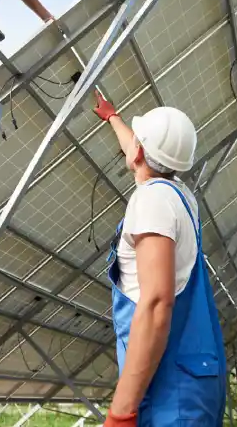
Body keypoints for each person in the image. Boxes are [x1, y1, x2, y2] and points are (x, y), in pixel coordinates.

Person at [93, 91, 227, 427]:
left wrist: (120, 413)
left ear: (140, 151)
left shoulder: (152, 201)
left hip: (169, 396)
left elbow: (155, 303)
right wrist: (113, 118)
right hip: (190, 383)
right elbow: (140, 152)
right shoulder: (180, 195)